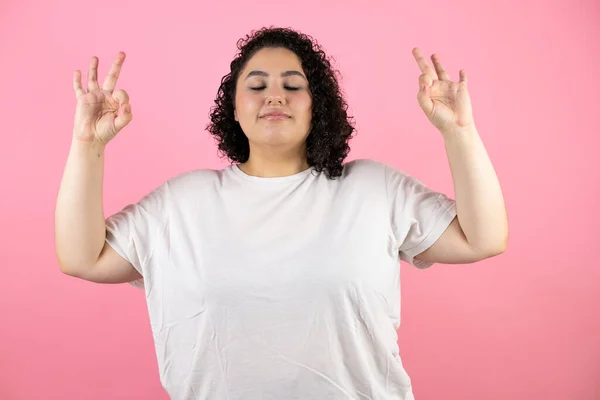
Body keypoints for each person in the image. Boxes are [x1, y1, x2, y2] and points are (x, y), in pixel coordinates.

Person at [55, 27, 508, 400]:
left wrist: (460, 133)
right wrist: (87, 145)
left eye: (293, 85)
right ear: (233, 107)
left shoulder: (373, 188)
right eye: (256, 86)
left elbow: (482, 238)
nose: (275, 96)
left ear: (319, 107)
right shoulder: (181, 203)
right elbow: (82, 257)